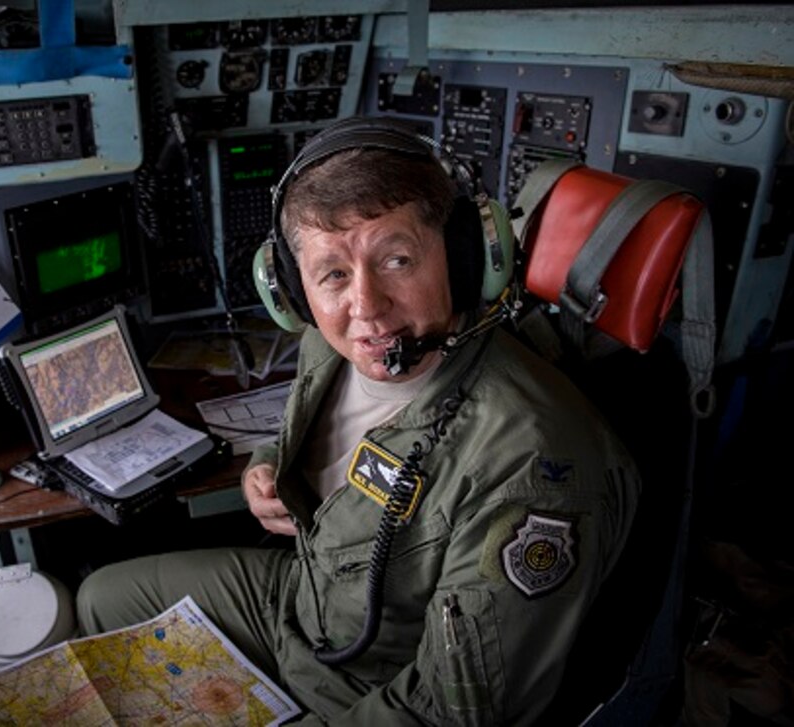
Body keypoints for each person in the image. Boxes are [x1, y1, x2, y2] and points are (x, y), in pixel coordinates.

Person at [76, 116, 640, 725]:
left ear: (463, 257)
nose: (365, 306)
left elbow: (453, 713)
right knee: (100, 598)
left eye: (397, 259)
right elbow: (321, 430)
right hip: (302, 602)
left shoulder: (531, 461)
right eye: (333, 275)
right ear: (292, 289)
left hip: (374, 680)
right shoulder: (335, 343)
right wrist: (267, 466)